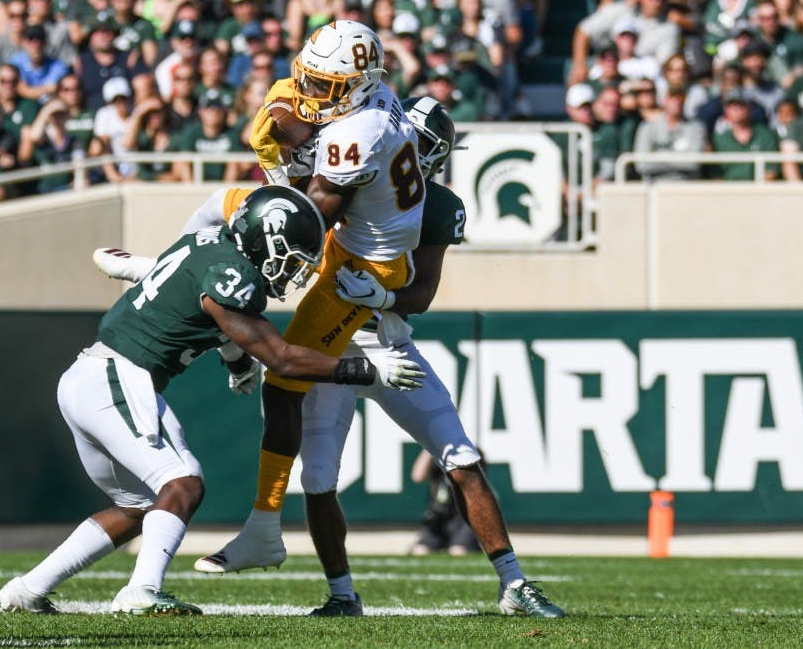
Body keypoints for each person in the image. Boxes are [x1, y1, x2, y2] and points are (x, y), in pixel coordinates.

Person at [95, 96, 565, 619]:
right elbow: (266, 217)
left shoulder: (433, 204)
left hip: (387, 340)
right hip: (330, 344)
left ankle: (515, 583)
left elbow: (423, 291)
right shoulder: (345, 176)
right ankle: (340, 593)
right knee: (318, 479)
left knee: (459, 456)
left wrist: (382, 297)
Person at [0, 184, 424, 616]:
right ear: (266, 236)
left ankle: (28, 589)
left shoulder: (210, 245)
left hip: (89, 378)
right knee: (183, 484)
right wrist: (366, 369)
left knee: (137, 506)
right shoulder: (232, 272)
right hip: (117, 377)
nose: (292, 271)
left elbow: (214, 318)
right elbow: (282, 359)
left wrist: (237, 366)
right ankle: (141, 590)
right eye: (292, 257)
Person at [195, 21, 430, 576]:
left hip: (363, 262)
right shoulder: (371, 98)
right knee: (217, 204)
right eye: (312, 80)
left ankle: (263, 527)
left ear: (358, 86)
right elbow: (297, 116)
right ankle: (168, 272)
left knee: (283, 381)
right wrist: (283, 133)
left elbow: (309, 215)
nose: (312, 95)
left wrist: (282, 150)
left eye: (326, 87)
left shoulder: (363, 131)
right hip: (352, 231)